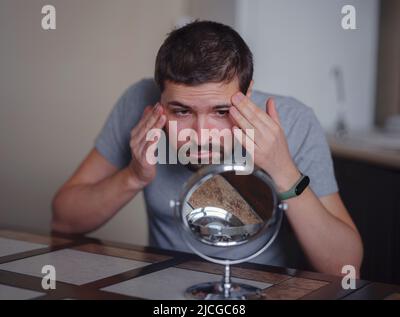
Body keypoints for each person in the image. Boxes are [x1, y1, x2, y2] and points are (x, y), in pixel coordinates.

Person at [52, 21, 363, 276]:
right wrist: (133, 177)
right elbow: (64, 219)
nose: (201, 136)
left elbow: (346, 267)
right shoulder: (138, 103)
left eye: (221, 112)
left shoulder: (294, 121)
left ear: (247, 91)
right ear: (159, 98)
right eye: (181, 112)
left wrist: (284, 172)